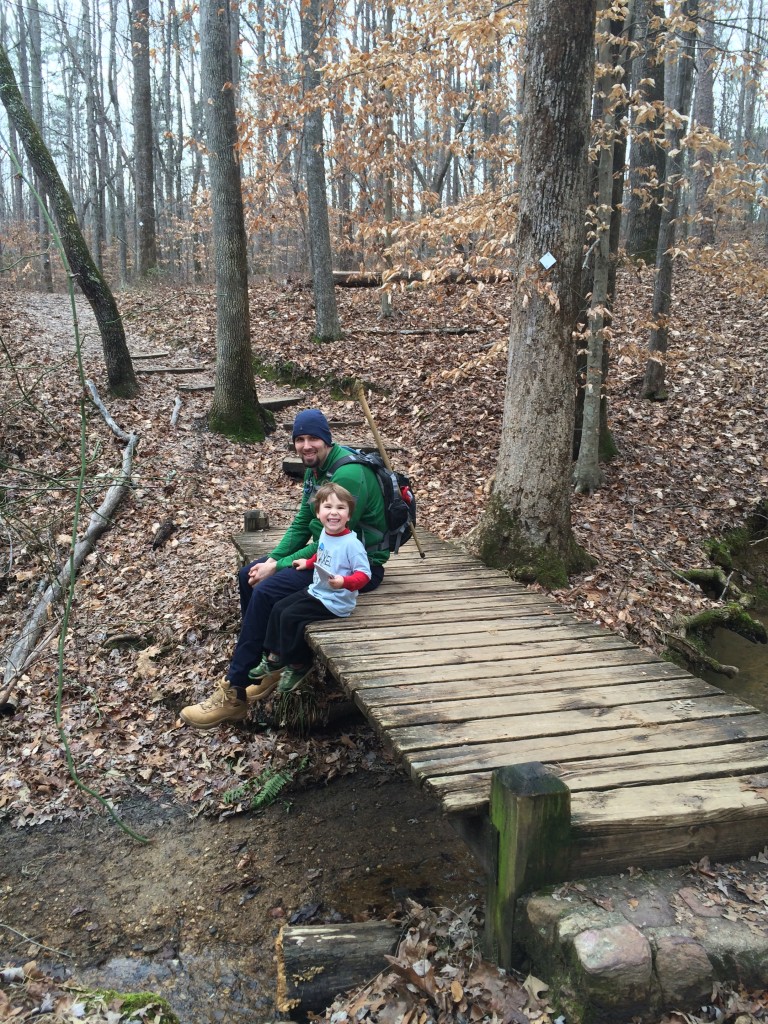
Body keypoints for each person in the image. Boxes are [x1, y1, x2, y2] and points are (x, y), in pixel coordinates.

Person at [180, 409, 389, 729]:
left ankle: (234, 692)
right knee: (248, 575)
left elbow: (323, 542)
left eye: (313, 439)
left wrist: (276, 567)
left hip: (354, 568)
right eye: (300, 439)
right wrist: (269, 561)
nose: (306, 446)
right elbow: (301, 524)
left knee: (265, 593)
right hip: (327, 555)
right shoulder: (315, 469)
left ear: (327, 440)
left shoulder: (346, 476)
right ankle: (271, 663)